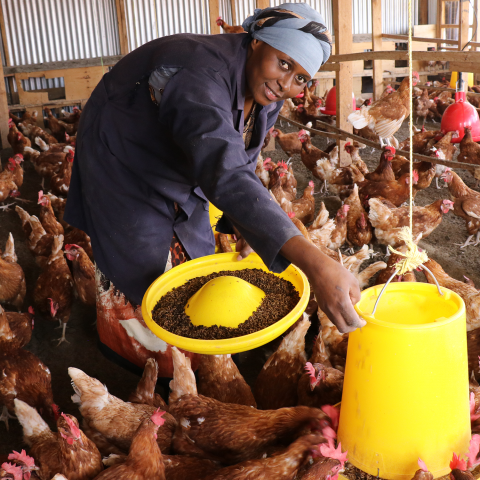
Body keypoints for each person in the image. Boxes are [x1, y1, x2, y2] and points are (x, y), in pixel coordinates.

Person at [64, 3, 365, 376]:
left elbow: (238, 161)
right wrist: (317, 265)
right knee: (139, 259)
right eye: (284, 63)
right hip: (123, 154)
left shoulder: (265, 91)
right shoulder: (201, 74)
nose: (286, 84)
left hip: (177, 153)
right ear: (257, 42)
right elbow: (225, 172)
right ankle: (144, 364)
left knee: (197, 250)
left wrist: (248, 223)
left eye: (301, 78)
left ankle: (197, 355)